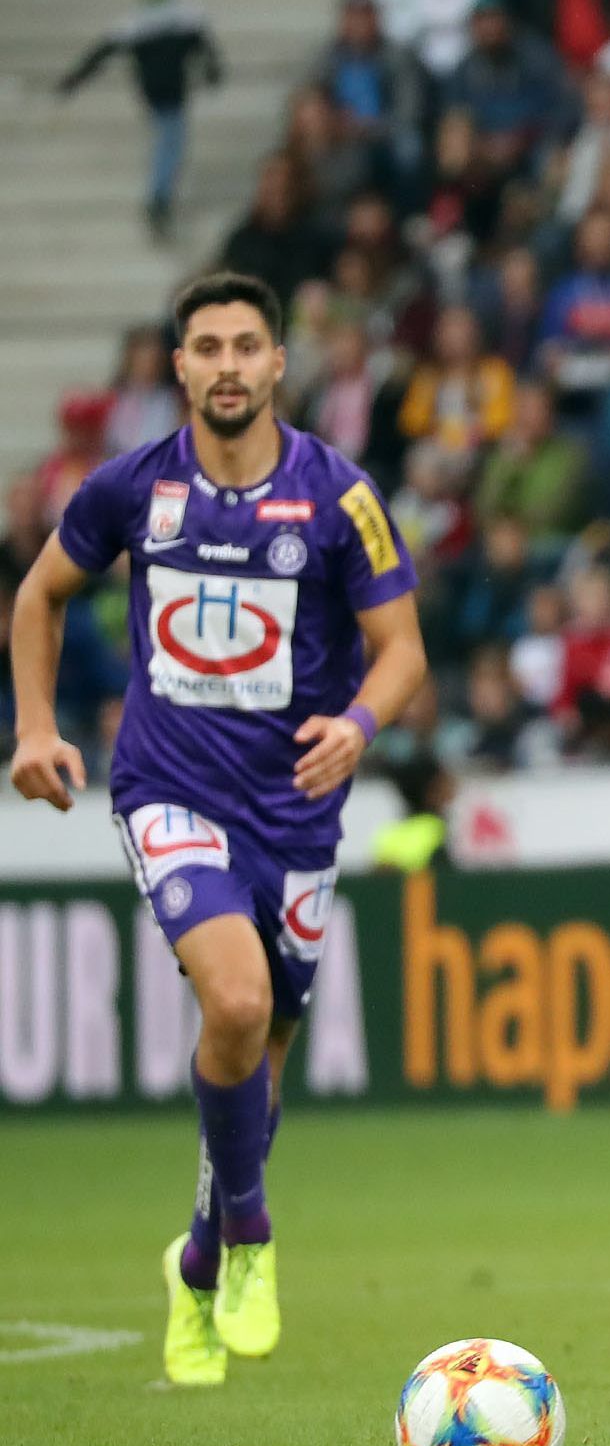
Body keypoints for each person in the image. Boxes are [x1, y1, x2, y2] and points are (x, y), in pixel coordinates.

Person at [7, 273, 427, 1388]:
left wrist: (359, 723)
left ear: (279, 362)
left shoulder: (339, 496)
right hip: (169, 788)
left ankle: (196, 1261)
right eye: (208, 347)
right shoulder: (129, 487)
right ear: (180, 367)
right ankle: (251, 1234)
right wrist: (37, 726)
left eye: (247, 345)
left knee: (260, 1052)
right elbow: (39, 595)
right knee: (233, 1003)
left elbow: (402, 649)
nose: (228, 365)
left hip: (295, 810)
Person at [55, 0, 225, 240]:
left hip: (154, 89)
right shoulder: (183, 15)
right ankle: (159, 196)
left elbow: (103, 51)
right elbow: (205, 47)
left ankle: (160, 195)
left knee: (169, 137)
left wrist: (75, 79)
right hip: (170, 89)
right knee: (171, 140)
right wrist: (213, 72)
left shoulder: (139, 20)